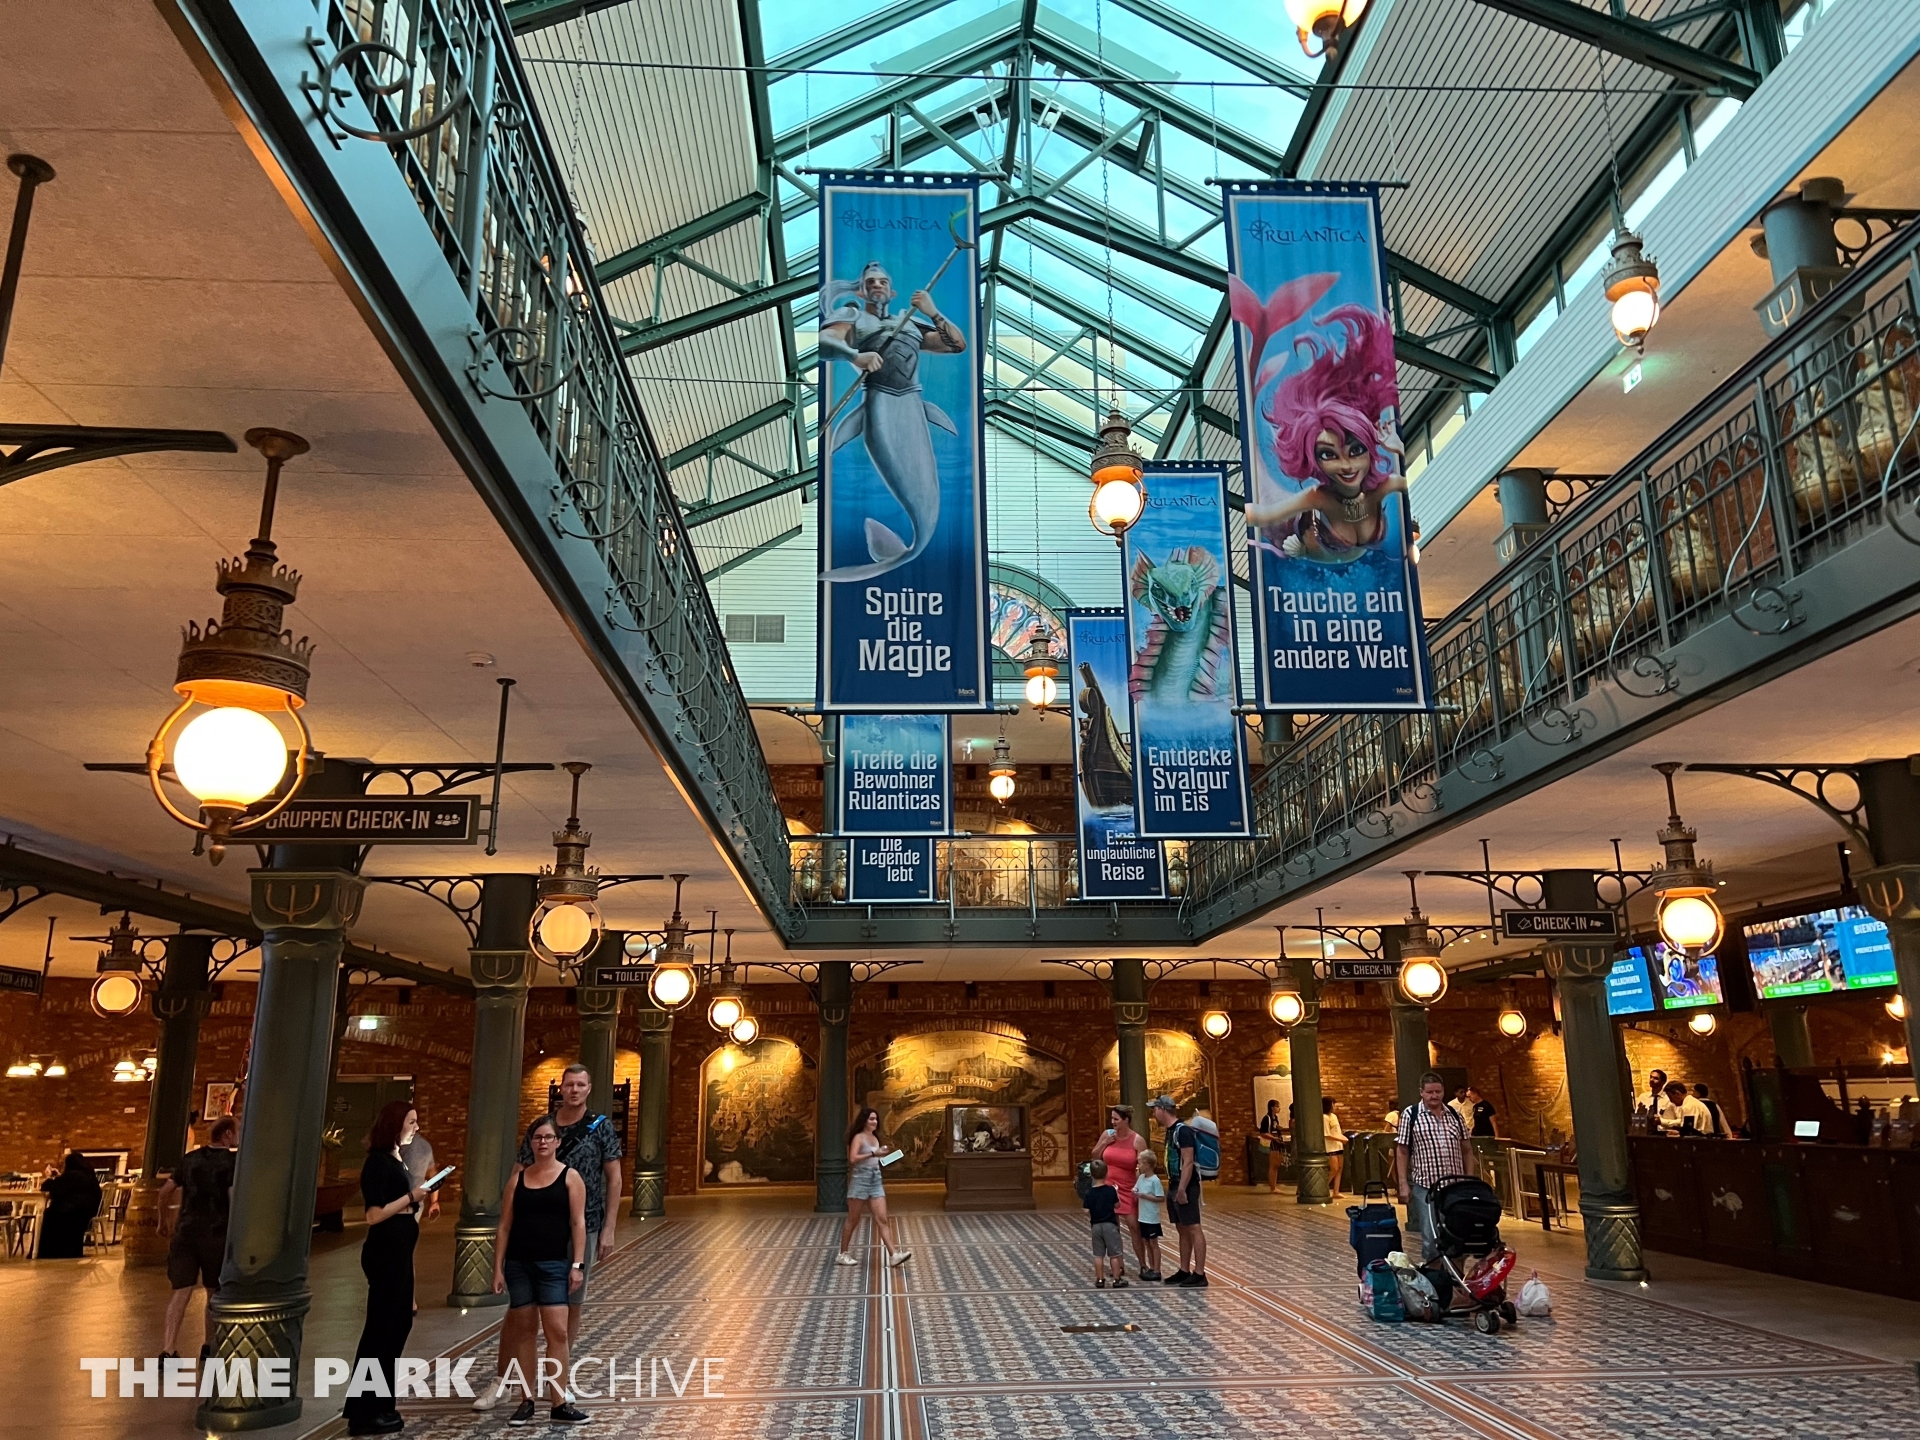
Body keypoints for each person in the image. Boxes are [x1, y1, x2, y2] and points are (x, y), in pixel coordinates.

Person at [474, 1064, 625, 1412]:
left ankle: (558, 1383)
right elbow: (518, 1171)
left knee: (570, 1304)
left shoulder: (600, 1127)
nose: (574, 1090)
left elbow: (614, 1179)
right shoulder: (542, 1128)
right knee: (520, 1310)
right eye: (569, 1084)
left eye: (581, 1085)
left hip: (583, 1224)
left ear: (589, 1089)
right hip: (536, 1227)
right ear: (561, 1088)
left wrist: (609, 1227)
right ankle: (504, 1380)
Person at [492, 1115, 590, 1427]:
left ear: (558, 1142)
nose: (543, 1142)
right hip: (519, 1264)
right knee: (524, 1331)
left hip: (554, 1265)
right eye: (537, 1138)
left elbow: (578, 1223)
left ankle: (559, 1401)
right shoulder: (517, 1180)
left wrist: (577, 1264)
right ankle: (527, 1399)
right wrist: (497, 1269)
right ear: (531, 1143)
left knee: (557, 1331)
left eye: (548, 1137)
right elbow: (504, 1226)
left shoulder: (570, 1178)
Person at [344, 1101, 431, 1437]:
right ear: (395, 1125)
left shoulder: (396, 1157)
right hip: (385, 1253)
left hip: (399, 1251)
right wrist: (412, 1197)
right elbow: (374, 1214)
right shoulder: (377, 1162)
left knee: (397, 1326)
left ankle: (382, 1403)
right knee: (381, 1331)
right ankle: (364, 1412)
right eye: (411, 1122)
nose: (416, 1127)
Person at [159, 1115, 237, 1357]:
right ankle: (208, 1346)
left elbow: (164, 1192)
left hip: (186, 1233)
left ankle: (168, 1349)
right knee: (212, 1291)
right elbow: (233, 1198)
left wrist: (163, 1222)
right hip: (216, 1234)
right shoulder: (231, 1162)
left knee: (181, 1292)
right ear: (227, 1134)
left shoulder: (189, 1159)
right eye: (237, 1130)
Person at [1394, 1072, 1478, 1263]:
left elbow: (1467, 1149)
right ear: (1421, 1092)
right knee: (1431, 1240)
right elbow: (1402, 1151)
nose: (1434, 1096)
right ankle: (1435, 1274)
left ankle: (1454, 1276)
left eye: (1438, 1092)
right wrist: (1403, 1184)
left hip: (1454, 1188)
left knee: (1457, 1237)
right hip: (1426, 1186)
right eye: (1430, 1092)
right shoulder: (1411, 1115)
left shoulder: (1454, 1115)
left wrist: (1469, 1180)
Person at [836, 1107, 911, 1268]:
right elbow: (853, 1158)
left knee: (882, 1218)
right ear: (864, 1121)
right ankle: (843, 1254)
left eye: (876, 1119)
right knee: (853, 1219)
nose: (874, 1122)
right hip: (860, 1179)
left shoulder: (875, 1138)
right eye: (871, 1119)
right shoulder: (859, 1137)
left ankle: (894, 1255)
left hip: (875, 1178)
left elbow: (875, 1160)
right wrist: (873, 1154)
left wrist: (885, 1157)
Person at [1150, 1096, 1207, 1287]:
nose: (1153, 1113)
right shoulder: (1171, 1131)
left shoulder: (1183, 1131)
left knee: (1193, 1227)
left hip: (1186, 1185)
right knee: (1182, 1228)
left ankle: (1200, 1273)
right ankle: (1184, 1269)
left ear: (1162, 1109)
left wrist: (1182, 1189)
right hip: (1174, 1183)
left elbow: (1188, 1161)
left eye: (1155, 1109)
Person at [1092, 1105, 1149, 1275]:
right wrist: (1104, 1143)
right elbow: (1094, 1157)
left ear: (1126, 1120)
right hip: (1108, 1188)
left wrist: (1142, 1183)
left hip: (1128, 1188)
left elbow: (1145, 1164)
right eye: (1112, 1118)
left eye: (1116, 1119)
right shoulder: (1107, 1135)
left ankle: (1143, 1264)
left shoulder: (1137, 1140)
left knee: (1134, 1226)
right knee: (1112, 1228)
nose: (1113, 1122)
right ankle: (1119, 1265)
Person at [37, 1152, 102, 1258]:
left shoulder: (73, 1175)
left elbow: (50, 1187)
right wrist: (59, 1176)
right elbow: (66, 1185)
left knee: (48, 1215)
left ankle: (49, 1251)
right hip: (86, 1213)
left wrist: (49, 1177)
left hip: (71, 1213)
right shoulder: (88, 1174)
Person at [1082, 1158, 1126, 1288]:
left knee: (1098, 1254)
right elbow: (1117, 1205)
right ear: (1106, 1173)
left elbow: (1086, 1211)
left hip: (1096, 1226)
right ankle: (1117, 1279)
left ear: (1091, 1174)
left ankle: (1100, 1279)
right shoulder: (1111, 1190)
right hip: (1110, 1224)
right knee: (1114, 1254)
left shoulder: (1089, 1193)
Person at [1132, 1152, 1166, 1281]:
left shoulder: (1155, 1181)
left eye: (1140, 1163)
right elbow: (1136, 1188)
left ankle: (1157, 1269)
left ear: (1147, 1164)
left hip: (1151, 1217)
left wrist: (1145, 1196)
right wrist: (1135, 1192)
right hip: (1143, 1216)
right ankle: (1151, 1267)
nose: (1138, 1165)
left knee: (1153, 1243)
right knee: (1146, 1242)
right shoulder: (1141, 1178)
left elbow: (1161, 1198)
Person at [1321, 1097, 1348, 1200]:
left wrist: (1342, 1139)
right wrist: (1340, 1139)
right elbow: (1326, 1134)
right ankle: (1323, 1187)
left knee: (1340, 1168)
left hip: (1338, 1145)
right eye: (1333, 1104)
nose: (1334, 1106)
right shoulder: (1324, 1117)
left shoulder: (1334, 1116)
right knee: (1334, 1168)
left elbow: (1337, 1131)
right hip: (1330, 1146)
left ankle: (1336, 1191)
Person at [1258, 1099, 1286, 1193]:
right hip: (1272, 1142)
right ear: (1272, 1107)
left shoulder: (1275, 1118)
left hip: (1277, 1141)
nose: (1279, 1108)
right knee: (1273, 1165)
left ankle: (1274, 1185)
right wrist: (1273, 1138)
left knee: (1276, 1165)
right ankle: (1272, 1187)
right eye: (1277, 1106)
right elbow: (1263, 1132)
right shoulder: (1267, 1118)